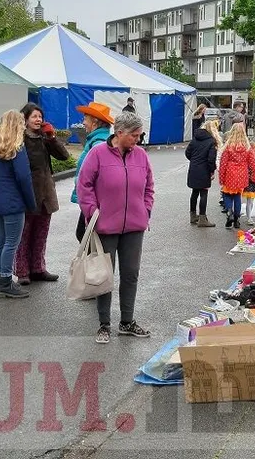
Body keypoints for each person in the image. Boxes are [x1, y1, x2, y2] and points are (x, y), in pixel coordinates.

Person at [77, 112, 155, 344]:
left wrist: (145, 209)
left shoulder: (140, 156)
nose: (137, 140)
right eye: (134, 135)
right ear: (119, 133)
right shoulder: (97, 154)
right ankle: (104, 324)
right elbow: (84, 185)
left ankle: (127, 321)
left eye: (139, 135)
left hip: (134, 226)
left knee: (131, 274)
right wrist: (93, 212)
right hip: (105, 227)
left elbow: (149, 186)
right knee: (103, 276)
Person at [14, 103, 70, 285]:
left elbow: (64, 156)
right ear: (25, 119)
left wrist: (52, 137)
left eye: (40, 116)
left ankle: (38, 268)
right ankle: (22, 271)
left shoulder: (45, 138)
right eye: (34, 117)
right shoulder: (20, 139)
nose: (38, 120)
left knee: (41, 233)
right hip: (28, 193)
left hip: (46, 193)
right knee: (24, 234)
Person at [0, 110, 36, 299]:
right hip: (13, 200)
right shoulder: (17, 147)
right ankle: (6, 282)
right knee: (11, 242)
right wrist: (31, 203)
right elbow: (24, 177)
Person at [71, 102, 114, 241]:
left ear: (95, 121)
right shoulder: (97, 139)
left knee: (87, 236)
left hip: (93, 199)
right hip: (92, 198)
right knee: (85, 236)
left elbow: (101, 174)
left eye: (85, 118)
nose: (83, 122)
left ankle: (96, 263)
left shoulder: (98, 142)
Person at [219, 122, 255, 229]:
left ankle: (229, 213)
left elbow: (223, 164)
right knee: (237, 196)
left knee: (227, 195)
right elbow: (253, 164)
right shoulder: (247, 147)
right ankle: (236, 220)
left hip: (230, 173)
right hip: (242, 174)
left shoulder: (228, 147)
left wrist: (221, 178)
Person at [186, 119, 218, 228]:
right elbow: (211, 159)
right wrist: (212, 171)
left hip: (194, 168)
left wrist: (194, 160)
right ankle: (202, 219)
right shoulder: (211, 141)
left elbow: (187, 153)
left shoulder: (195, 138)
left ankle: (193, 215)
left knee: (194, 192)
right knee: (204, 193)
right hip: (204, 170)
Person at [243, 143, 255, 226]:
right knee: (249, 201)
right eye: (254, 151)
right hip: (250, 183)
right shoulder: (249, 160)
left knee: (251, 201)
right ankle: (249, 217)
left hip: (254, 183)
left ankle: (249, 216)